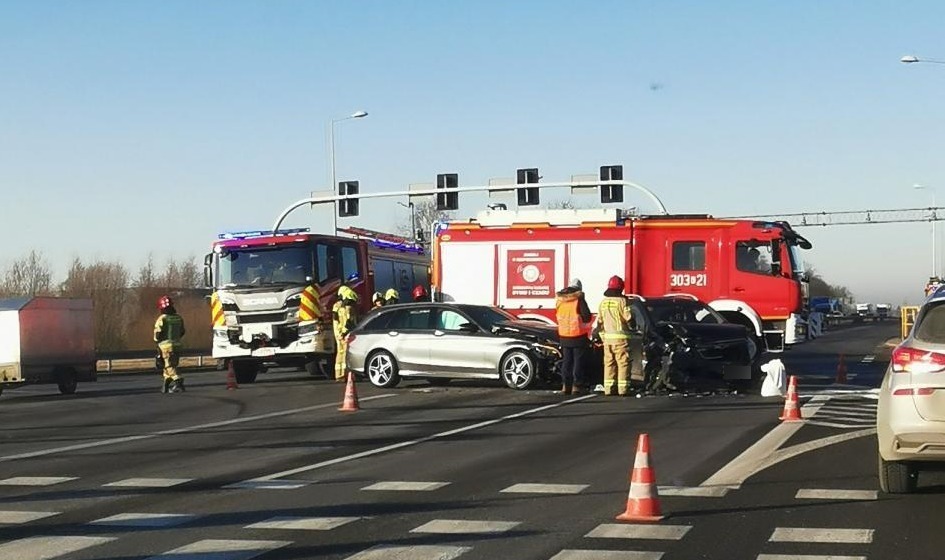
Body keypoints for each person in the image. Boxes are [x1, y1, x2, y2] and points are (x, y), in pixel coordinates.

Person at [597, 275, 634, 396]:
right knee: (623, 363)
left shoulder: (603, 303)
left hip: (607, 339)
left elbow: (599, 322)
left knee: (609, 363)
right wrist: (633, 326)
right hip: (620, 339)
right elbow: (628, 318)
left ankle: (608, 389)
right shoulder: (622, 301)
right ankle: (623, 389)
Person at [555, 278, 592, 395]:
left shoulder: (559, 300)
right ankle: (576, 386)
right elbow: (587, 316)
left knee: (567, 361)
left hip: (564, 335)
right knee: (577, 361)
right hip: (577, 335)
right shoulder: (579, 299)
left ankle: (565, 386)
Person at [154, 295, 186, 393]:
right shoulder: (178, 318)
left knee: (169, 366)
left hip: (165, 346)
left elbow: (158, 334)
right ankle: (166, 385)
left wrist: (157, 341)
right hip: (177, 345)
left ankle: (178, 382)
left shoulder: (162, 319)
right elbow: (182, 331)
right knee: (171, 365)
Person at [332, 285, 359, 381]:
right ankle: (347, 374)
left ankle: (339, 374)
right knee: (347, 354)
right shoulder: (349, 309)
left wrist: (338, 334)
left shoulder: (336, 306)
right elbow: (349, 322)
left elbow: (335, 320)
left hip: (338, 334)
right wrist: (344, 333)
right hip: (345, 334)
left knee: (340, 353)